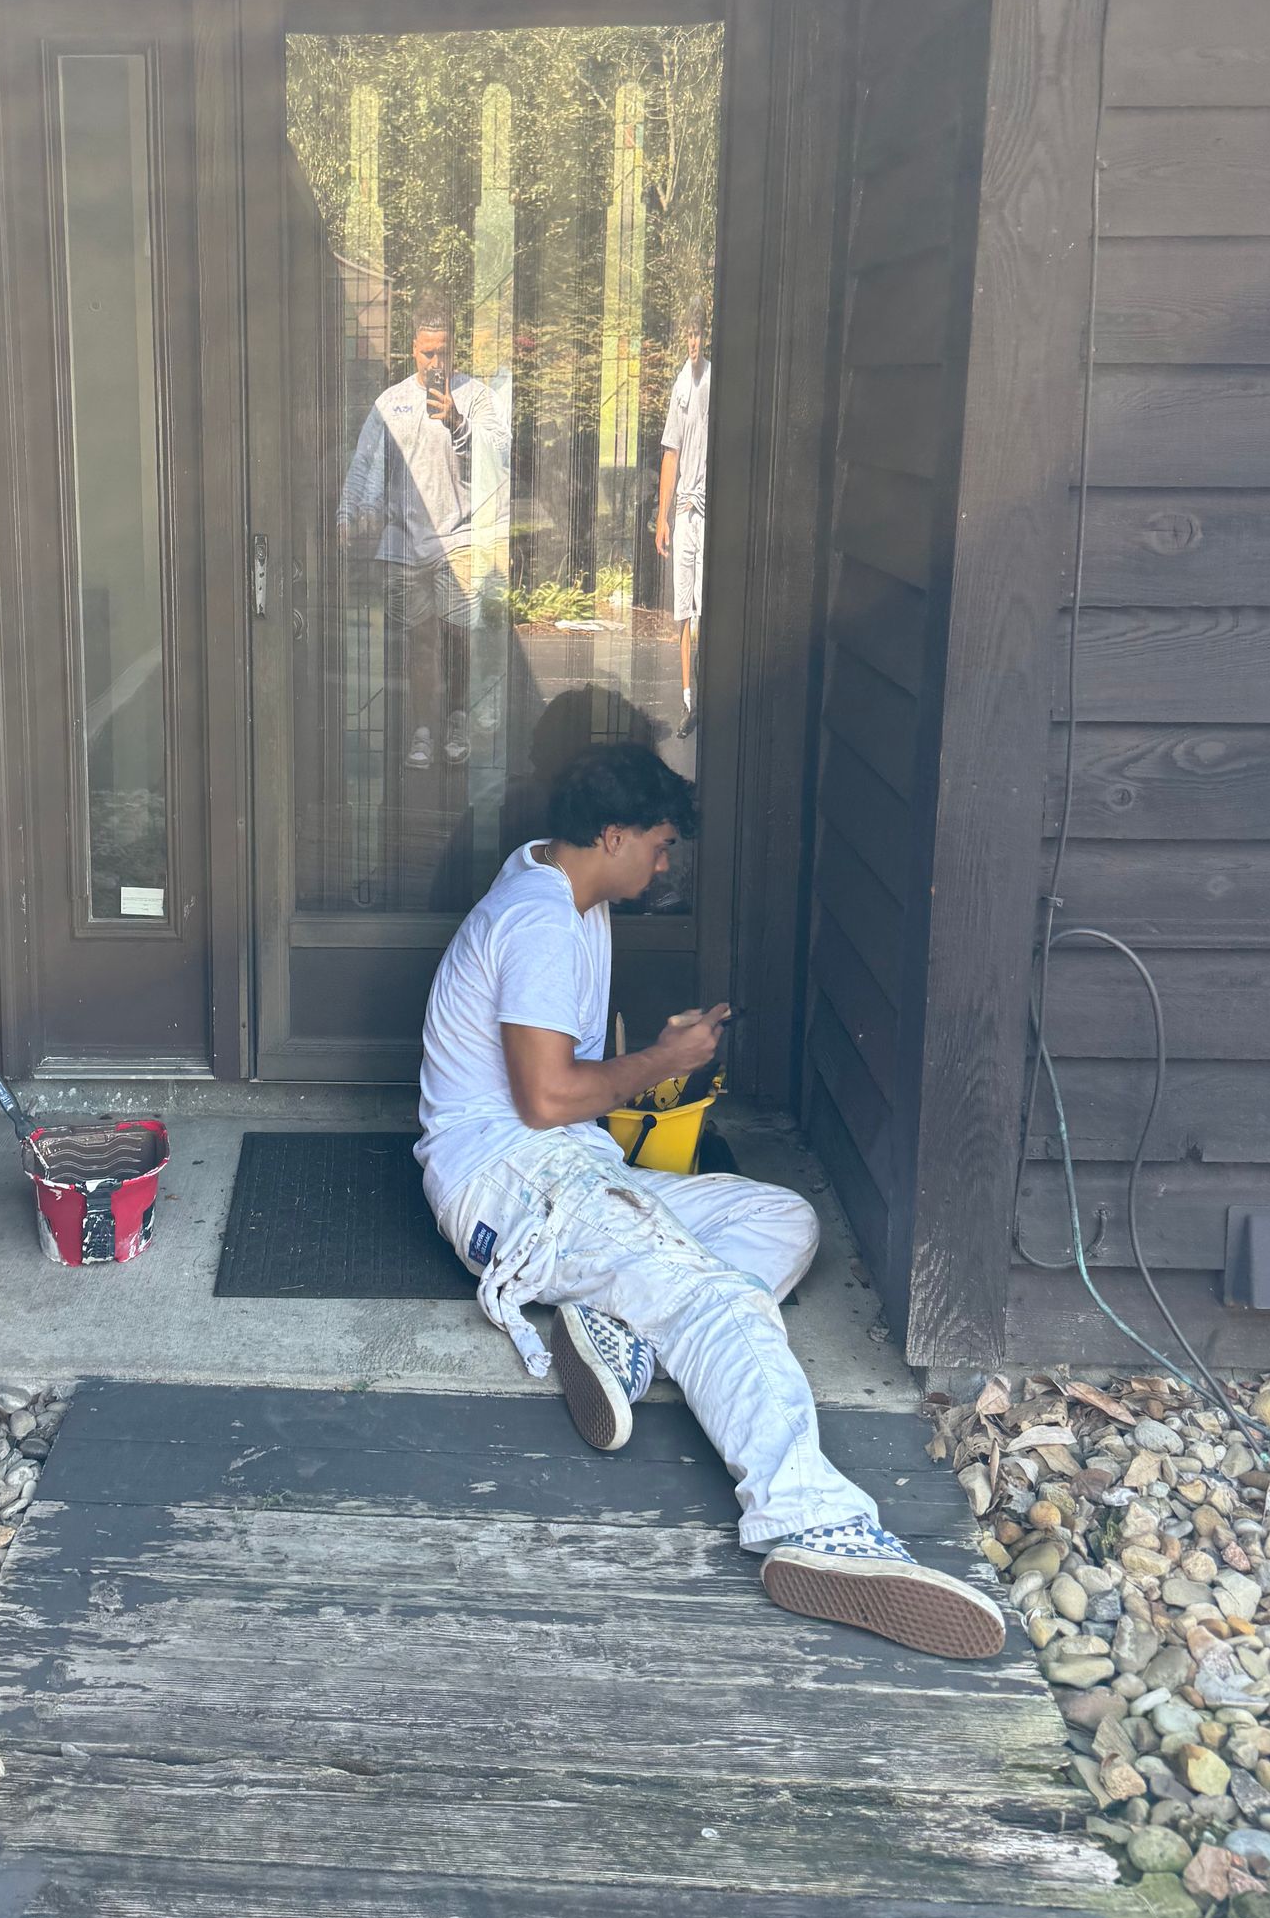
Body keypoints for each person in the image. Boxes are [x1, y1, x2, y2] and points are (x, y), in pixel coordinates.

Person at [416, 740, 1006, 1660]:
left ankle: (621, 1333)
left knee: (781, 1219)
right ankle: (810, 1525)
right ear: (611, 835)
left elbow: (564, 1081)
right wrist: (664, 1061)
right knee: (720, 1297)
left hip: (566, 1171)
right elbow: (544, 1099)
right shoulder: (537, 921)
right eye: (656, 846)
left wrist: (649, 1057)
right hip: (514, 1181)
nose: (665, 864)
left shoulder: (563, 884)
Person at [337, 304, 510, 771]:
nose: (436, 364)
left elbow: (501, 457)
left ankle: (454, 718)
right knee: (420, 642)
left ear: (454, 349)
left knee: (456, 639)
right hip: (405, 543)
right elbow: (365, 464)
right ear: (413, 350)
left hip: (461, 538)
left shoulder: (474, 396)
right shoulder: (390, 403)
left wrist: (457, 421)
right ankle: (422, 729)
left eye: (444, 353)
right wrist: (348, 512)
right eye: (427, 353)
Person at [653, 309, 710, 732]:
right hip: (685, 513)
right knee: (683, 612)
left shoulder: (714, 381)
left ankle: (709, 694)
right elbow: (670, 452)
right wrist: (663, 516)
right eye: (687, 334)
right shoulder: (679, 387)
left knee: (707, 609)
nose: (692, 342)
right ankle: (688, 700)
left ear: (706, 337)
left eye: (698, 334)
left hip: (711, 513)